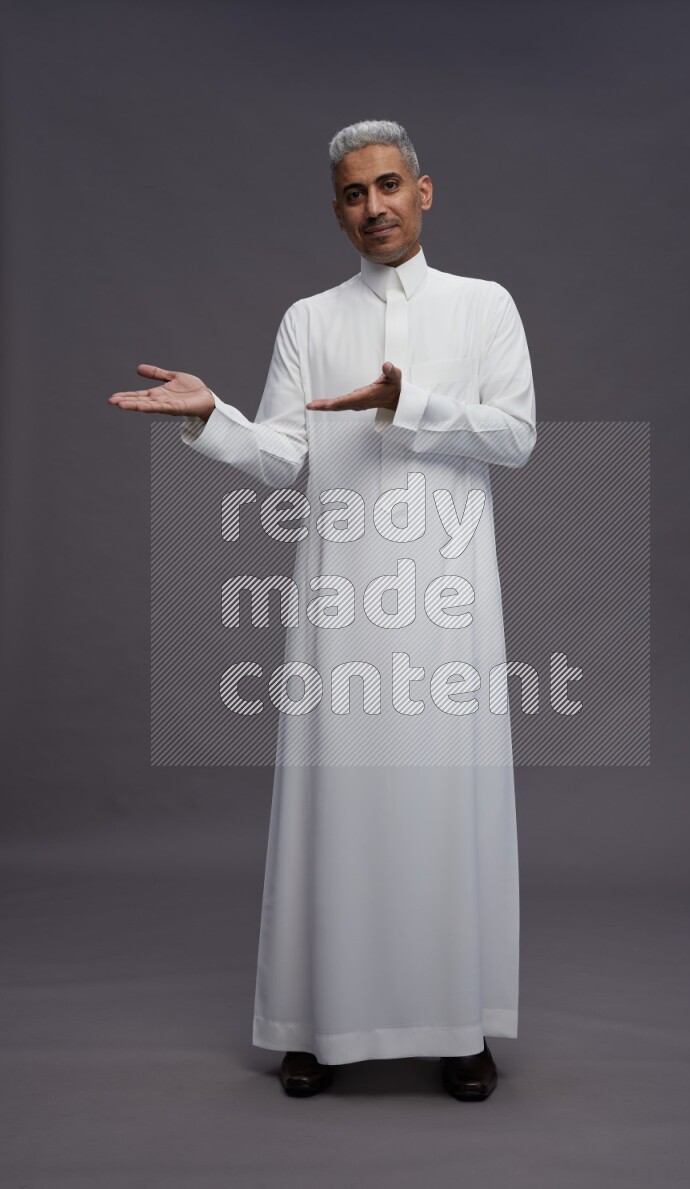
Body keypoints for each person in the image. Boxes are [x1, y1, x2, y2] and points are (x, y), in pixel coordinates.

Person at [108, 119, 536, 1101]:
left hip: (445, 599)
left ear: (423, 192)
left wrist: (410, 403)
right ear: (336, 208)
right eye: (353, 193)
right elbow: (285, 456)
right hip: (340, 594)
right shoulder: (309, 319)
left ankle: (459, 1024)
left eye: (389, 186)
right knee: (332, 804)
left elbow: (513, 435)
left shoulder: (484, 309)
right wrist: (208, 417)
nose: (374, 207)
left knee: (444, 800)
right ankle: (314, 1021)